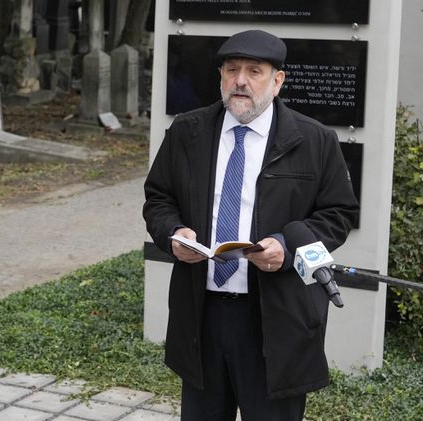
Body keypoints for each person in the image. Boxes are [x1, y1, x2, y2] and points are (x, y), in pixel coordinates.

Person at [142, 30, 359, 421]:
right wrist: (173, 232)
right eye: (231, 70)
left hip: (276, 319)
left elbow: (338, 214)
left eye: (254, 71)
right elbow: (159, 198)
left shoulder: (313, 140)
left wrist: (285, 246)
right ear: (221, 77)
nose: (240, 80)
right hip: (201, 313)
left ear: (277, 81)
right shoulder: (187, 132)